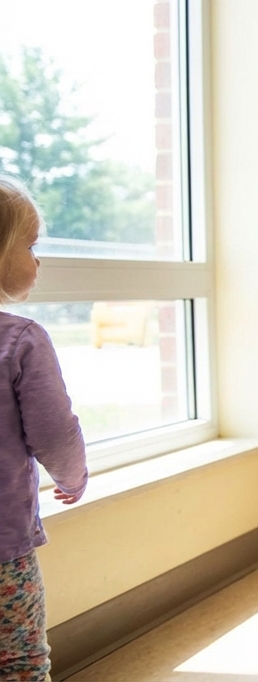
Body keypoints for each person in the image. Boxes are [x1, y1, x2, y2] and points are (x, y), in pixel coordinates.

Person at [0, 178, 87, 679]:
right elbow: (54, 433)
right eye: (31, 247)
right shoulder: (21, 341)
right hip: (3, 551)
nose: (38, 261)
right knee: (19, 660)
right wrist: (73, 478)